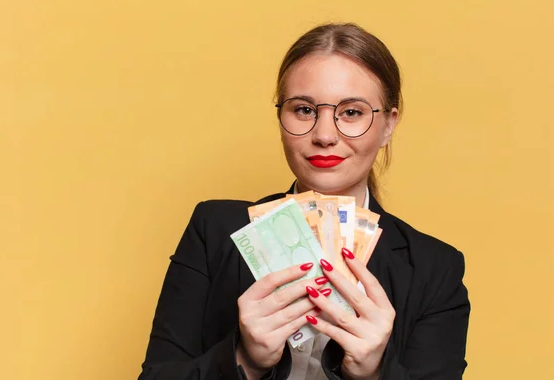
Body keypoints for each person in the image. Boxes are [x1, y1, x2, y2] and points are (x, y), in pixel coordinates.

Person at [138, 23, 470, 380]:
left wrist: (375, 372)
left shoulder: (435, 270)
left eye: (352, 112)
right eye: (304, 110)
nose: (324, 135)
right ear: (280, 116)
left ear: (388, 125)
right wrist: (244, 360)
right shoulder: (214, 231)